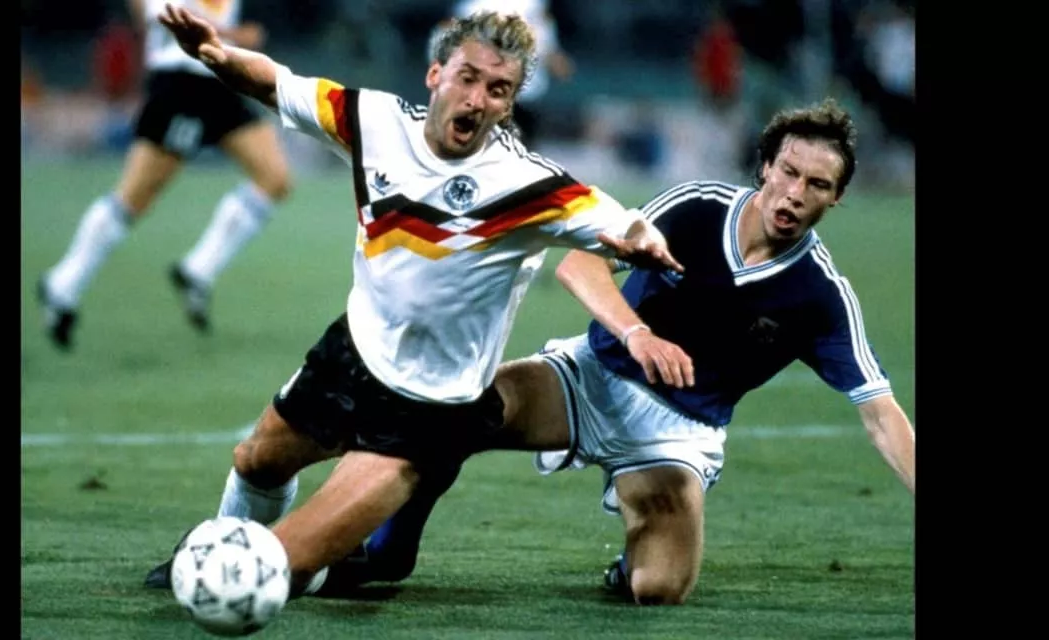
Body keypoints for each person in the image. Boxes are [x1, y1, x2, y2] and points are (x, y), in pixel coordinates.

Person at [141, 5, 683, 598]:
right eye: (468, 78)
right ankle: (221, 549)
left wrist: (643, 240)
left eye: (497, 90)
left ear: (508, 105)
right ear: (435, 75)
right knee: (255, 463)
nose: (477, 99)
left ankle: (302, 564)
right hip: (352, 354)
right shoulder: (372, 121)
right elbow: (276, 83)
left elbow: (623, 222)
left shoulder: (531, 186)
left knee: (279, 567)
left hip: (428, 413)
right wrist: (216, 55)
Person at [311, 98, 916, 605]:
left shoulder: (820, 295)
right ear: (765, 167)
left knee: (660, 589)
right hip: (590, 376)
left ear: (836, 198)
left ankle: (629, 568)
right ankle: (387, 552)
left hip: (676, 435)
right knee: (451, 413)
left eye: (817, 185)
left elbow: (881, 415)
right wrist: (636, 333)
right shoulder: (697, 207)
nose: (794, 193)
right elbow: (580, 265)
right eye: (788, 171)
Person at [35, 0, 292, 350]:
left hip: (220, 76)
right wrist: (230, 34)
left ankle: (198, 270)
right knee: (135, 196)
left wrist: (235, 37)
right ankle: (63, 283)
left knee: (274, 177)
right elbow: (155, 12)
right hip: (182, 80)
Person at [429, 0, 574, 150]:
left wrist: (554, 57)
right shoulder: (473, 7)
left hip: (524, 96)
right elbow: (446, 39)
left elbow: (543, 37)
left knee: (520, 150)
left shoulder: (534, 5)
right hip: (484, 98)